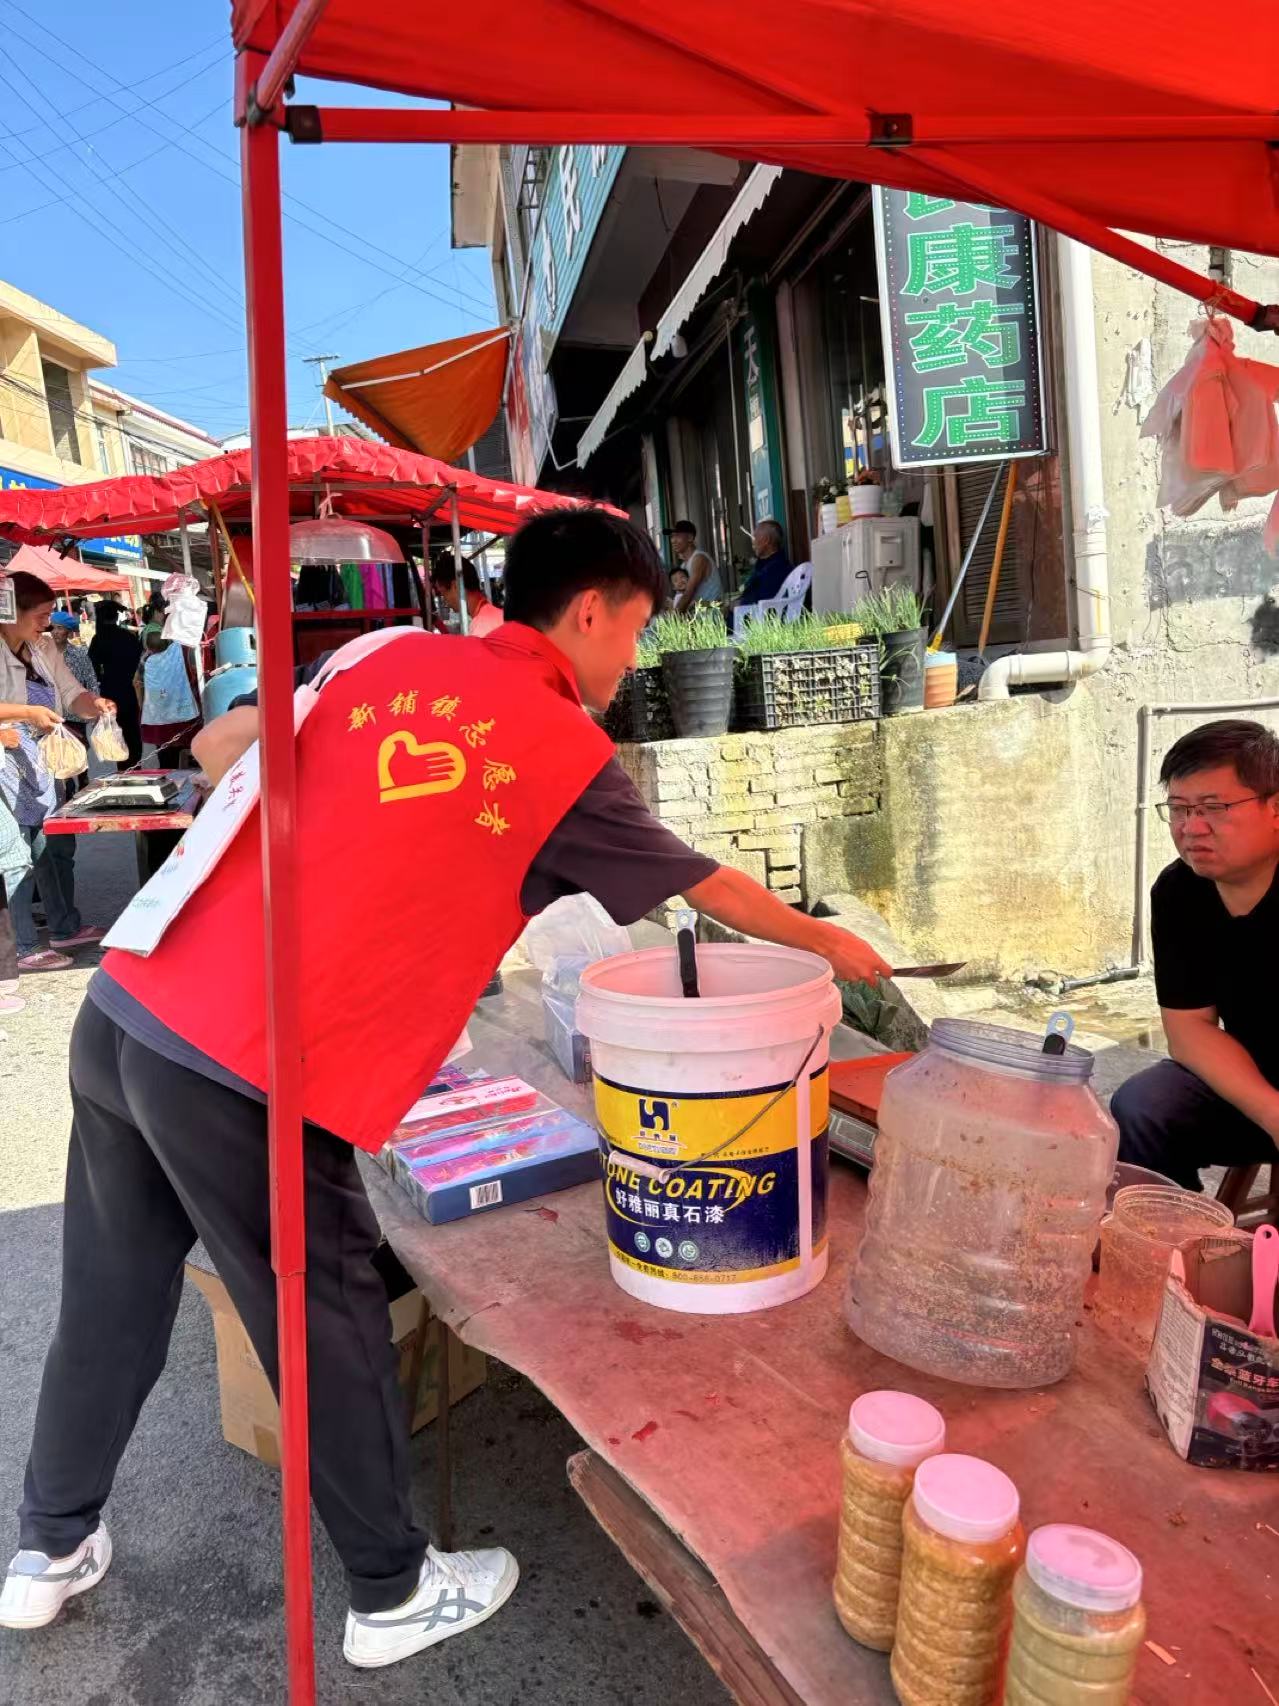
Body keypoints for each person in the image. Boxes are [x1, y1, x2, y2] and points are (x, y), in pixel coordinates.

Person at [0, 509, 890, 1665]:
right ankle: (392, 1589)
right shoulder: (562, 748)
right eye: (635, 630)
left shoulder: (388, 656)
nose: (634, 660)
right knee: (324, 1311)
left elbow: (225, 746)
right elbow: (709, 885)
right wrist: (831, 942)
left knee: (112, 1290)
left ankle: (48, 1544)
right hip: (252, 1059)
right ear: (589, 611)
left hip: (130, 1002)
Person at [1112, 719, 1279, 1192]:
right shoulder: (1179, 892)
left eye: (1213, 808)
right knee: (1144, 1106)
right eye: (1179, 809)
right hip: (1253, 1080)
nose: (1191, 828)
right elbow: (1189, 1031)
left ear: (1275, 808)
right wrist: (1272, 1112)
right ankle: (1169, 1232)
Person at [0, 573, 114, 971]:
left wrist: (94, 705)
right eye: (41, 615)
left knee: (53, 846)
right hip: (5, 761)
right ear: (12, 612)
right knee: (14, 855)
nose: (47, 623)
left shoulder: (44, 646)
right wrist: (23, 714)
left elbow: (69, 693)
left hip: (39, 758)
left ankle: (65, 926)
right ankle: (23, 946)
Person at [48, 611, 99, 799]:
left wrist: (95, 706)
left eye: (60, 628)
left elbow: (91, 680)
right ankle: (67, 788)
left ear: (69, 632)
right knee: (59, 752)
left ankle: (83, 781)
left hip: (76, 713)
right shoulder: (42, 655)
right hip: (53, 713)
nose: (55, 632)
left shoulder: (79, 654)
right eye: (53, 628)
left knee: (80, 748)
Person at [88, 602, 143, 769]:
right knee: (132, 730)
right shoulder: (128, 636)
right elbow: (138, 660)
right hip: (130, 688)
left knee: (117, 732)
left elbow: (93, 668)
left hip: (109, 690)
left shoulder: (99, 639)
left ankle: (123, 767)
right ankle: (136, 766)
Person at [137, 627, 200, 769]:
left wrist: (143, 705)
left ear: (149, 648)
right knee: (181, 744)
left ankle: (166, 770)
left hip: (158, 710)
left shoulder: (146, 662)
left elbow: (139, 683)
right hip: (178, 707)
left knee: (163, 749)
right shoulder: (177, 654)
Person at [430, 552, 503, 637]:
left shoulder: (481, 630)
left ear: (456, 586)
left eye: (443, 594)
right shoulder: (496, 614)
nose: (445, 602)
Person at [735, 518, 794, 611]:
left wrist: (737, 604)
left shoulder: (776, 569)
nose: (753, 542)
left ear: (766, 540)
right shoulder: (764, 565)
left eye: (755, 537)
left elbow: (761, 601)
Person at [666, 518, 723, 610]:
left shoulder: (699, 559)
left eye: (677, 536)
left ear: (690, 537)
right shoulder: (683, 566)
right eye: (672, 536)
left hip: (711, 613)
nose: (673, 540)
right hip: (699, 615)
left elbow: (688, 594)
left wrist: (674, 615)